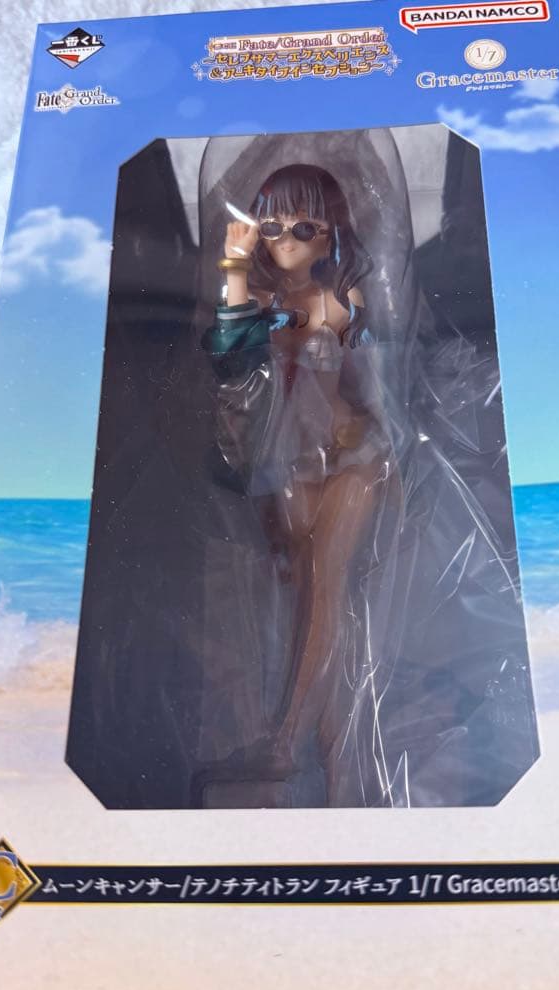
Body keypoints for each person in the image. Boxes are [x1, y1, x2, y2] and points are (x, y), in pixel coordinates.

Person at [199, 164, 394, 806]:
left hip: (353, 456)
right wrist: (233, 267)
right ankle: (340, 766)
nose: (286, 239)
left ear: (331, 232)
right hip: (288, 463)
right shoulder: (258, 302)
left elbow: (379, 382)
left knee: (326, 586)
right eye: (272, 227)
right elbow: (229, 356)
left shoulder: (344, 299)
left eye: (303, 227)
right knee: (307, 597)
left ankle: (285, 740)